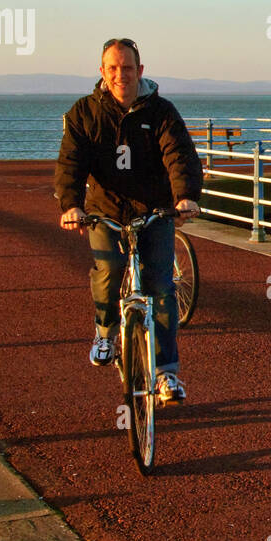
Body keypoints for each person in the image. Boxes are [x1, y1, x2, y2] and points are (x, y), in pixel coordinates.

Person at [54, 39, 202, 404]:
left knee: (161, 289)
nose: (122, 74)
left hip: (154, 210)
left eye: (128, 67)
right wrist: (71, 205)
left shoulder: (161, 111)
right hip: (104, 210)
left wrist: (184, 197)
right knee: (108, 272)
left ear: (141, 70)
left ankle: (167, 373)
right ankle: (105, 331)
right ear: (103, 72)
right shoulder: (84, 113)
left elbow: (179, 154)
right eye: (114, 68)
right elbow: (71, 162)